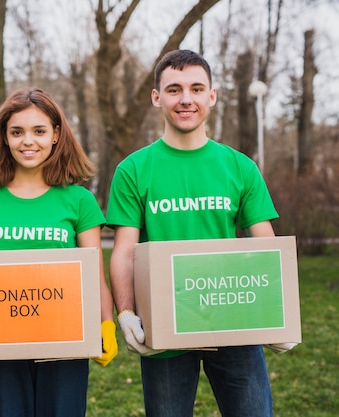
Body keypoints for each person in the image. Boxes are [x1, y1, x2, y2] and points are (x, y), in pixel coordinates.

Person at [106, 49, 297, 417]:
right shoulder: (133, 169)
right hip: (164, 329)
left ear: (211, 96)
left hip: (235, 322)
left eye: (196, 88)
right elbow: (124, 251)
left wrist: (280, 310)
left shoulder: (239, 167)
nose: (186, 99)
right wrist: (127, 313)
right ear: (156, 97)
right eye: (174, 89)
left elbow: (266, 245)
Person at [0, 88, 118, 417]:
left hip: (65, 340)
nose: (27, 141)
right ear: (4, 138)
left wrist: (107, 323)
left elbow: (94, 277)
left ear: (56, 135)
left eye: (39, 131)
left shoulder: (79, 200)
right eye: (17, 132)